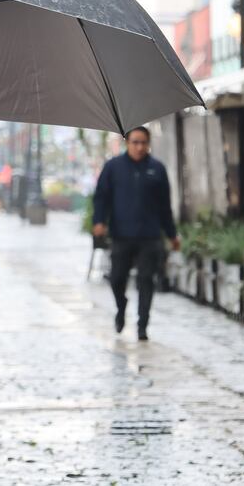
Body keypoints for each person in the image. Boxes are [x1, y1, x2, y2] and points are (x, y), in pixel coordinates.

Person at [92, 126, 179, 341]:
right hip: (121, 234)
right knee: (116, 278)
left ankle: (142, 325)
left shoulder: (157, 169)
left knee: (146, 280)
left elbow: (165, 206)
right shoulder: (113, 167)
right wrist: (99, 222)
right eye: (135, 142)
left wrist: (171, 234)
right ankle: (121, 307)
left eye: (143, 143)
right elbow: (101, 197)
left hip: (150, 237)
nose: (139, 147)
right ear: (127, 143)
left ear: (148, 144)